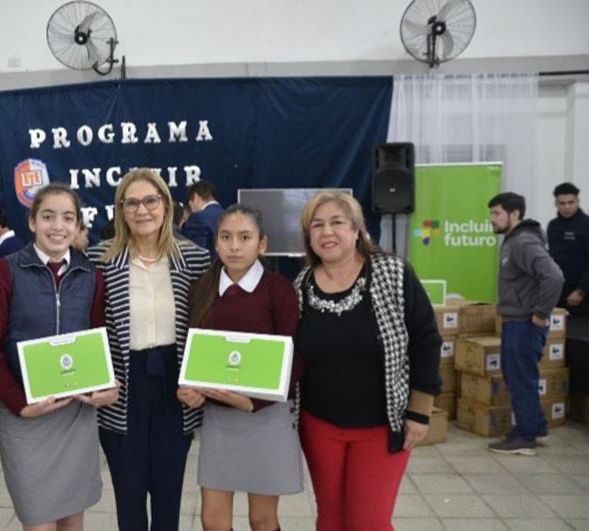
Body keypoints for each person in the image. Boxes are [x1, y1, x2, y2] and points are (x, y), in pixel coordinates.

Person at [0, 182, 118, 531]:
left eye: (68, 218)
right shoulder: (5, 271)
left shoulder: (91, 275)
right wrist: (18, 402)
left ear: (78, 226)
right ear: (32, 221)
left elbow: (97, 341)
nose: (58, 226)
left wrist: (106, 384)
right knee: (37, 519)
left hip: (74, 414)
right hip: (24, 414)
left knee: (73, 519)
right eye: (48, 216)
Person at [295, 191, 442, 531]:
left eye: (336, 223)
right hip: (319, 424)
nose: (326, 232)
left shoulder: (392, 273)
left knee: (368, 521)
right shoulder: (300, 285)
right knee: (330, 519)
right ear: (309, 238)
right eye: (317, 225)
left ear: (357, 230)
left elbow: (426, 340)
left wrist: (420, 411)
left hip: (381, 424)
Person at [87, 168, 210, 531]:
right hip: (124, 387)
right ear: (121, 210)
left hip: (175, 385)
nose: (143, 210)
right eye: (132, 202)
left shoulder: (194, 259)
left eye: (151, 200)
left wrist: (203, 380)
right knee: (129, 493)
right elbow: (87, 325)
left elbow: (207, 326)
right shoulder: (101, 260)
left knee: (169, 492)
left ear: (166, 206)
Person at [179, 204, 304, 531]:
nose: (234, 246)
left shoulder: (279, 290)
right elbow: (193, 352)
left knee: (262, 520)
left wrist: (253, 402)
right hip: (220, 419)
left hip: (265, 415)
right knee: (212, 520)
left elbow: (295, 357)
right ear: (216, 243)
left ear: (261, 244)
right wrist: (189, 388)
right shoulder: (201, 288)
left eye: (244, 237)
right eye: (226, 237)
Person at [488, 192, 564, 455]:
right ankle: (537, 427)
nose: (492, 219)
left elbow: (554, 277)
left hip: (524, 324)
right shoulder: (513, 241)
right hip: (516, 321)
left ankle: (525, 437)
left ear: (515, 214)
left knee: (521, 379)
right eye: (491, 214)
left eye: (496, 214)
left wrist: (541, 314)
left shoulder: (523, 243)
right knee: (520, 376)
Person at [547, 182, 589, 316]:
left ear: (578, 201)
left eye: (571, 202)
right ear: (556, 204)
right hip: (557, 292)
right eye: (562, 203)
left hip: (581, 294)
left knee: (579, 335)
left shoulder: (586, 224)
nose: (567, 207)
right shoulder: (553, 226)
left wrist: (581, 290)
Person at [181, 180, 224, 258]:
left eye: (190, 205)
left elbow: (197, 256)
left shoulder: (197, 218)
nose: (192, 210)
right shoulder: (228, 215)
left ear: (196, 197)